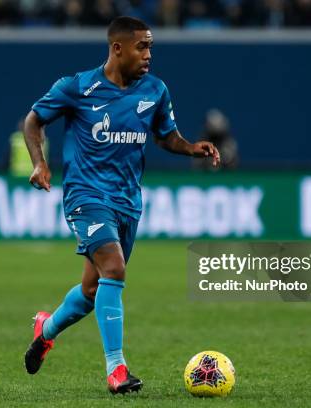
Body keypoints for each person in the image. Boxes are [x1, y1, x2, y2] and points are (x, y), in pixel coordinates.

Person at [22, 16, 220, 394]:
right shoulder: (76, 87)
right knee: (114, 268)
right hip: (85, 195)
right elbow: (34, 121)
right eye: (141, 47)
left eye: (150, 47)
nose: (148, 54)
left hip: (128, 201)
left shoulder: (155, 90)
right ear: (117, 48)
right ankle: (117, 370)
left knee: (92, 292)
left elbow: (165, 136)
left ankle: (45, 330)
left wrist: (191, 147)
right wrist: (39, 162)